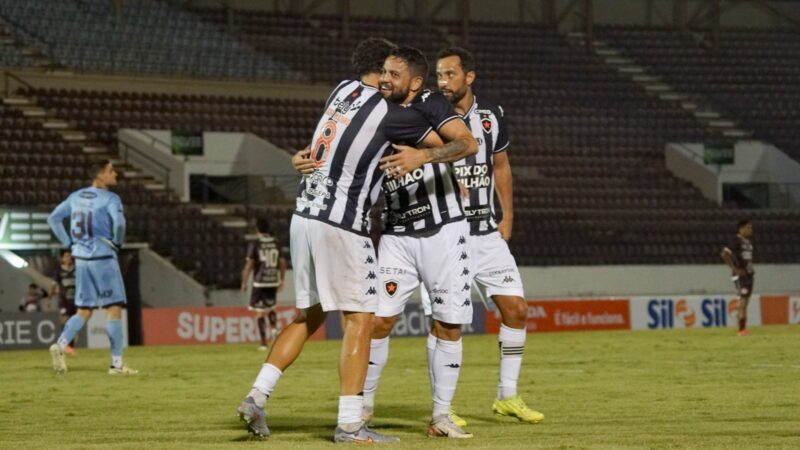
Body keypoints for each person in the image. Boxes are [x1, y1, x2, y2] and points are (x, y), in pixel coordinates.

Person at [236, 38, 471, 443]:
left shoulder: (340, 91)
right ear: (381, 70)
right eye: (389, 70)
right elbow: (460, 144)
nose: (390, 77)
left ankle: (257, 395)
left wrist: (298, 157)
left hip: (304, 216)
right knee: (361, 320)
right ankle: (350, 424)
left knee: (307, 315)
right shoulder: (390, 113)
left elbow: (323, 146)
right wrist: (424, 155)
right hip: (341, 224)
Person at [362, 46, 479, 439]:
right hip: (395, 233)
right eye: (383, 72)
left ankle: (441, 418)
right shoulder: (377, 111)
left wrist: (422, 158)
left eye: (394, 75)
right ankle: (362, 408)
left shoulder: (430, 102)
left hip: (444, 232)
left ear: (414, 82)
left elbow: (467, 144)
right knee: (377, 321)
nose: (385, 79)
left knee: (447, 324)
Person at [432, 46, 544, 424]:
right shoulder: (431, 115)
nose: (443, 82)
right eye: (439, 75)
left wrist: (507, 215)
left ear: (469, 76)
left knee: (517, 310)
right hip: (447, 234)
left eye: (449, 74)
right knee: (446, 321)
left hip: (487, 233)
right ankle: (441, 409)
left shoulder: (492, 116)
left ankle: (507, 397)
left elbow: (501, 165)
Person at [47, 159, 137, 375]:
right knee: (113, 308)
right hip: (103, 257)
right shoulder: (110, 198)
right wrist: (116, 241)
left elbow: (54, 219)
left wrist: (69, 243)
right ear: (100, 175)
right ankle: (116, 365)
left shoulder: (76, 196)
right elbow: (120, 223)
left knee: (84, 310)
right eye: (111, 170)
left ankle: (60, 344)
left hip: (82, 259)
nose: (115, 174)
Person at [241, 218, 286, 350]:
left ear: (257, 229)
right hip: (272, 280)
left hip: (260, 282)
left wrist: (244, 282)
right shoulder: (276, 242)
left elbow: (250, 264)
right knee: (271, 307)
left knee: (260, 312)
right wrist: (281, 279)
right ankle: (274, 329)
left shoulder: (255, 243)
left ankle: (263, 343)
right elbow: (282, 262)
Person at [721, 219, 754, 336]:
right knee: (743, 300)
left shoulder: (748, 242)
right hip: (740, 275)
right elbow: (724, 254)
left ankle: (743, 328)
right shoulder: (735, 241)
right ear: (742, 228)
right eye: (748, 227)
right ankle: (741, 330)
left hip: (749, 274)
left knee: (746, 300)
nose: (751, 230)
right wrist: (735, 269)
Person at [50, 249, 78, 354]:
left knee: (74, 324)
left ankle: (71, 346)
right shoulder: (58, 272)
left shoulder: (77, 270)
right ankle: (63, 344)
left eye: (69, 256)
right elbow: (53, 285)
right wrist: (50, 296)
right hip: (64, 301)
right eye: (66, 256)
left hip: (76, 301)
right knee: (65, 322)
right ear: (62, 258)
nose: (68, 258)